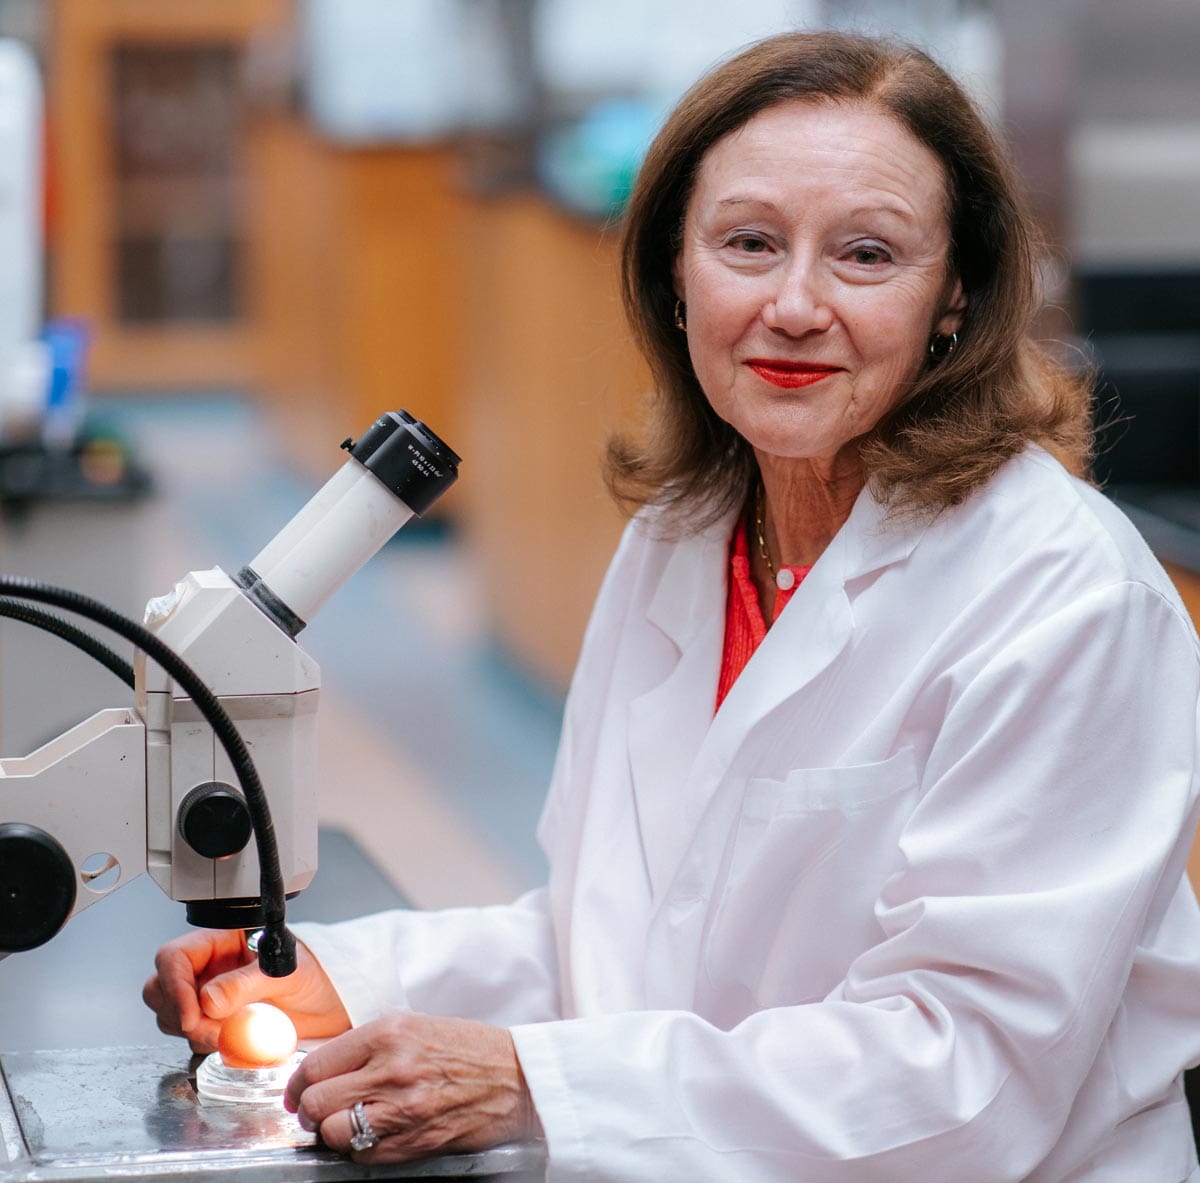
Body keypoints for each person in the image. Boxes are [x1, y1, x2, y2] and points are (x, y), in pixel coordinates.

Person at [144, 30, 1200, 1182]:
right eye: (748, 242)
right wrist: (349, 980)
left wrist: (530, 1081)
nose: (794, 305)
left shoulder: (1060, 595)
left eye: (865, 255)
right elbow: (620, 944)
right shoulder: (687, 533)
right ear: (674, 273)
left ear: (955, 296)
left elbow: (963, 1079)